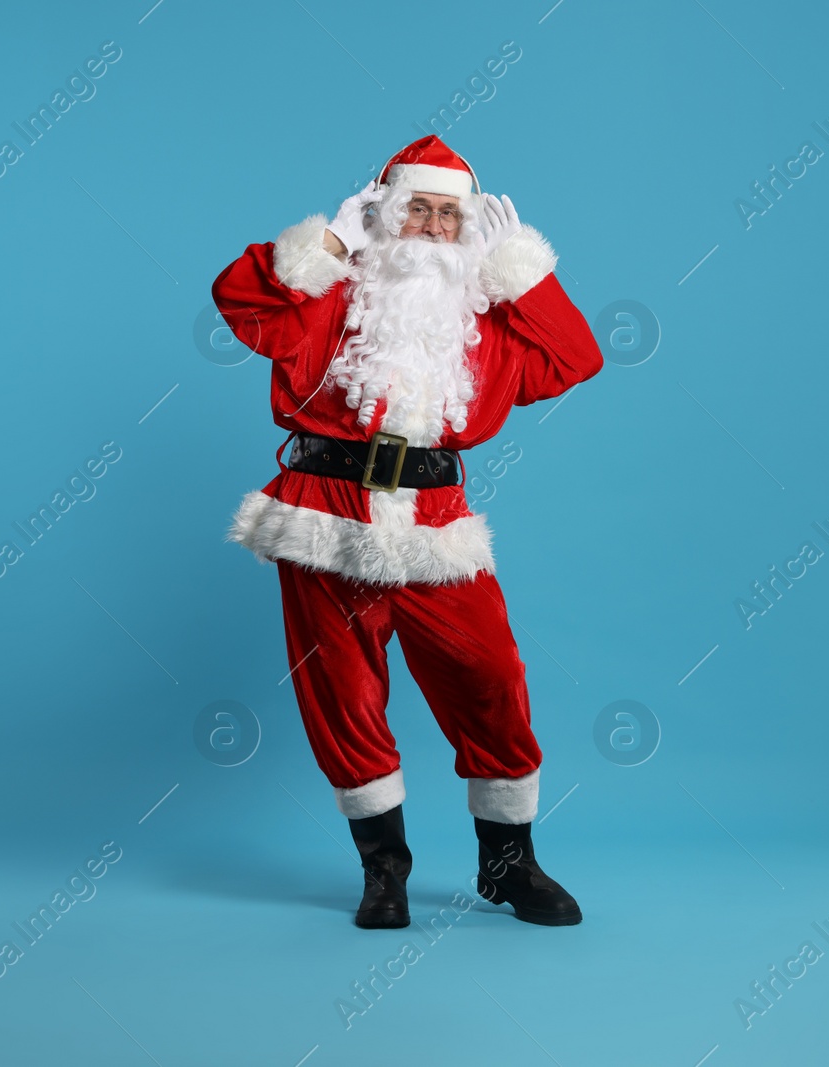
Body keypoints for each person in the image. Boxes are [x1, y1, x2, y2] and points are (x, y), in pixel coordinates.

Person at [211, 135, 602, 928]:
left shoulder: (487, 320)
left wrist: (519, 269)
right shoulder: (327, 296)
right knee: (344, 695)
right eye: (414, 208)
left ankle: (508, 865)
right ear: (384, 215)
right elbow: (239, 301)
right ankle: (383, 869)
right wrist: (327, 244)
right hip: (325, 512)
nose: (428, 226)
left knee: (490, 677)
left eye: (446, 215)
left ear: (469, 231)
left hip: (435, 523)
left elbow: (577, 357)